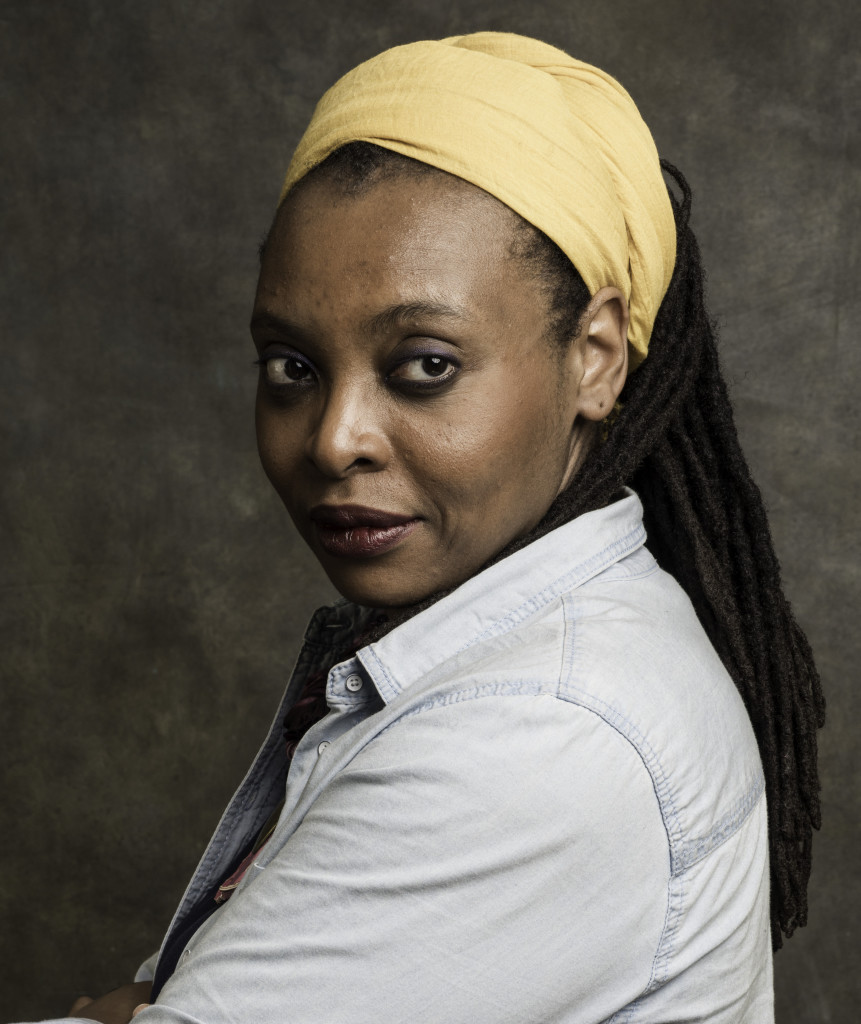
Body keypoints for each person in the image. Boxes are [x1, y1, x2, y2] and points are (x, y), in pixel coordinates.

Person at [20, 30, 824, 1024]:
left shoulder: (536, 735)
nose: (334, 440)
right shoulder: (518, 647)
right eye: (291, 367)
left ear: (597, 357)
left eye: (425, 366)